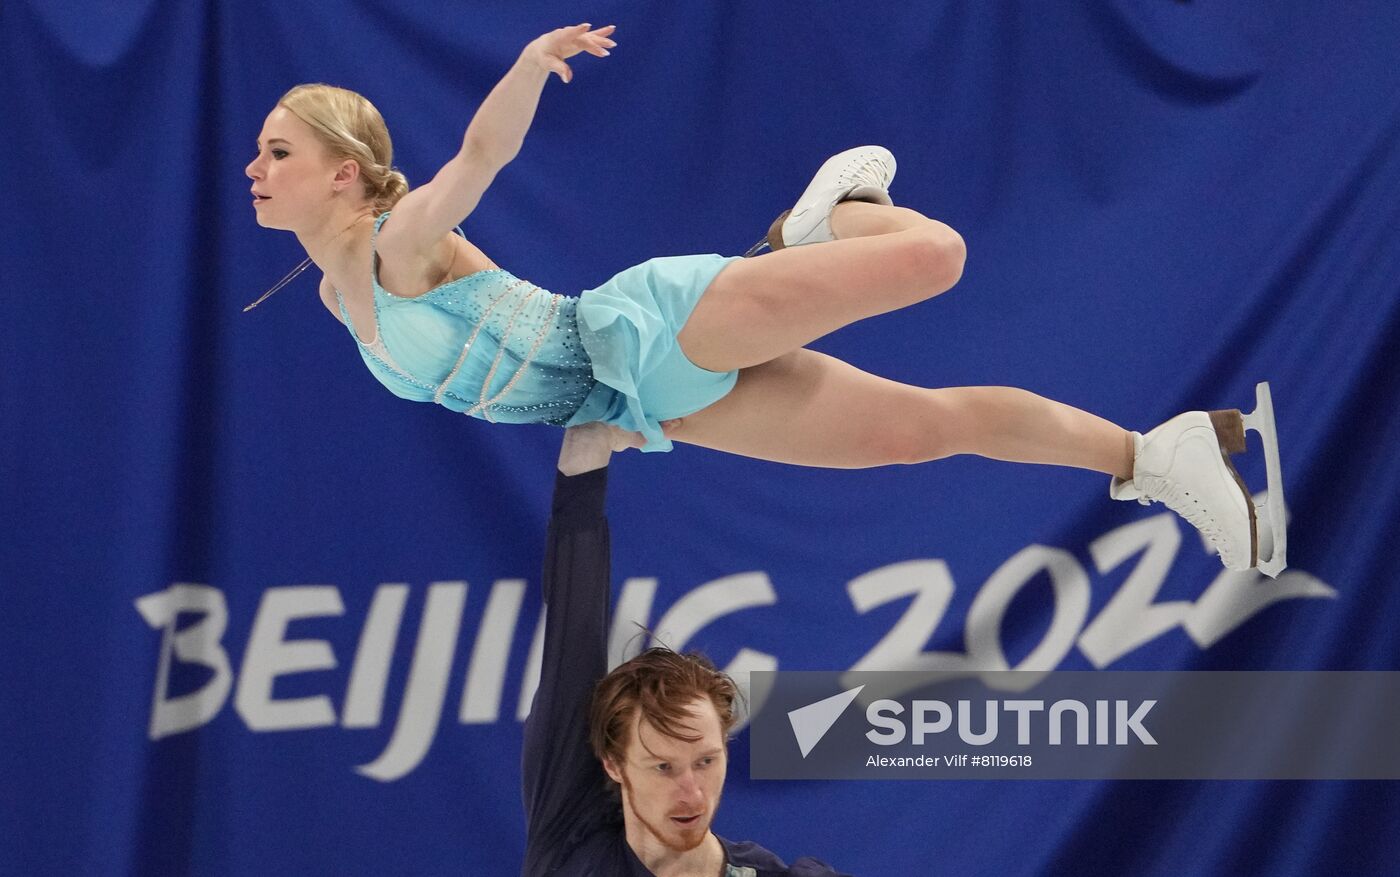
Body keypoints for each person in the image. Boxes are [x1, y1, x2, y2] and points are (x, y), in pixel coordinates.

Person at [243, 22, 1285, 574]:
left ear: (343, 171)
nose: (254, 166)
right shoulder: (340, 305)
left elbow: (476, 157)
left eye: (276, 150)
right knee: (915, 432)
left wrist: (524, 66)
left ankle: (827, 218)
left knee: (935, 258)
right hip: (659, 405)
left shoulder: (400, 247)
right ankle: (1154, 455)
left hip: (649, 325)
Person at [521, 423, 853, 876]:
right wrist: (588, 453)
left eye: (706, 761)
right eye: (662, 767)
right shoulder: (571, 844)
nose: (692, 794)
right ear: (614, 765)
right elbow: (572, 626)